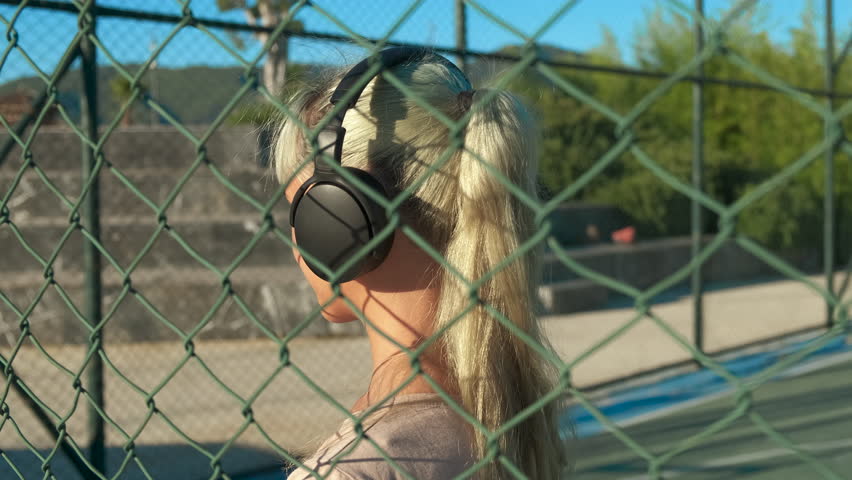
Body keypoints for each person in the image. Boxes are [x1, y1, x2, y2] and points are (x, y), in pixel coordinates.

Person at [274, 47, 570, 480]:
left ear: (339, 220)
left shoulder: (350, 471)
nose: (297, 242)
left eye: (299, 213)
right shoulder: (505, 415)